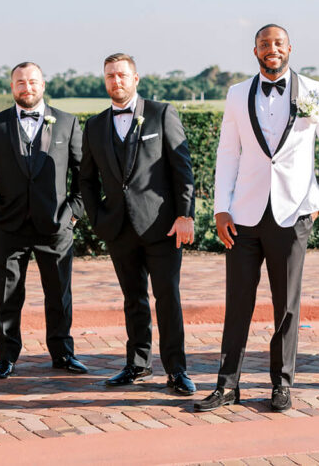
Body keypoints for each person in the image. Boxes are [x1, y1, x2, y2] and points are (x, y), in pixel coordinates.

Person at [194, 24, 319, 413]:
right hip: (243, 215)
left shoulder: (315, 91)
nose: (271, 49)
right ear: (255, 51)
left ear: (290, 48)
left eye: (278, 43)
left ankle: (282, 384)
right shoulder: (237, 93)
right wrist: (221, 208)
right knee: (237, 303)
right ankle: (227, 385)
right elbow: (228, 152)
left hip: (293, 214)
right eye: (264, 44)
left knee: (287, 306)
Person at [81, 53, 197, 395]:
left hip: (163, 226)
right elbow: (86, 178)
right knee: (133, 299)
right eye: (110, 76)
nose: (115, 81)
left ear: (135, 79)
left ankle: (176, 370)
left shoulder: (161, 113)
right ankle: (138, 364)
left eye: (121, 75)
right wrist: (97, 218)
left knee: (167, 298)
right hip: (118, 228)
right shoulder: (94, 125)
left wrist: (185, 215)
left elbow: (182, 168)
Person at [0, 61, 87, 379]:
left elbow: (84, 174)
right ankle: (6, 356)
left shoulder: (67, 122)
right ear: (12, 87)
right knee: (7, 295)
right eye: (20, 82)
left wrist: (74, 214)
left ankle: (63, 353)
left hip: (56, 225)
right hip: (8, 225)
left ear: (43, 85)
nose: (27, 87)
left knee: (59, 294)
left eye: (32, 81)